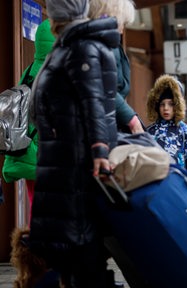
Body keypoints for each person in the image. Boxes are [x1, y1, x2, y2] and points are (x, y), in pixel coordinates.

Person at [29, 0, 119, 286]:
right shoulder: (67, 47)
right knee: (72, 256)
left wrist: (99, 151)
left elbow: (93, 103)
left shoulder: (81, 48)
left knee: (82, 252)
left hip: (76, 168)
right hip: (62, 164)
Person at [2, 19, 55, 226]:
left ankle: (36, 252)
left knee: (37, 207)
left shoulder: (31, 70)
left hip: (28, 150)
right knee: (52, 209)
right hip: (44, 152)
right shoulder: (53, 74)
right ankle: (45, 252)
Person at [88, 0, 144, 134]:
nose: (123, 29)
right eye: (123, 23)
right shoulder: (103, 45)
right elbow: (105, 87)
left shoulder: (104, 44)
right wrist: (131, 119)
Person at [146, 74, 187, 191]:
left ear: (177, 105)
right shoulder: (149, 132)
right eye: (162, 104)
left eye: (171, 104)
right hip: (154, 189)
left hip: (179, 189)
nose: (166, 108)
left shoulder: (186, 132)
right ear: (156, 106)